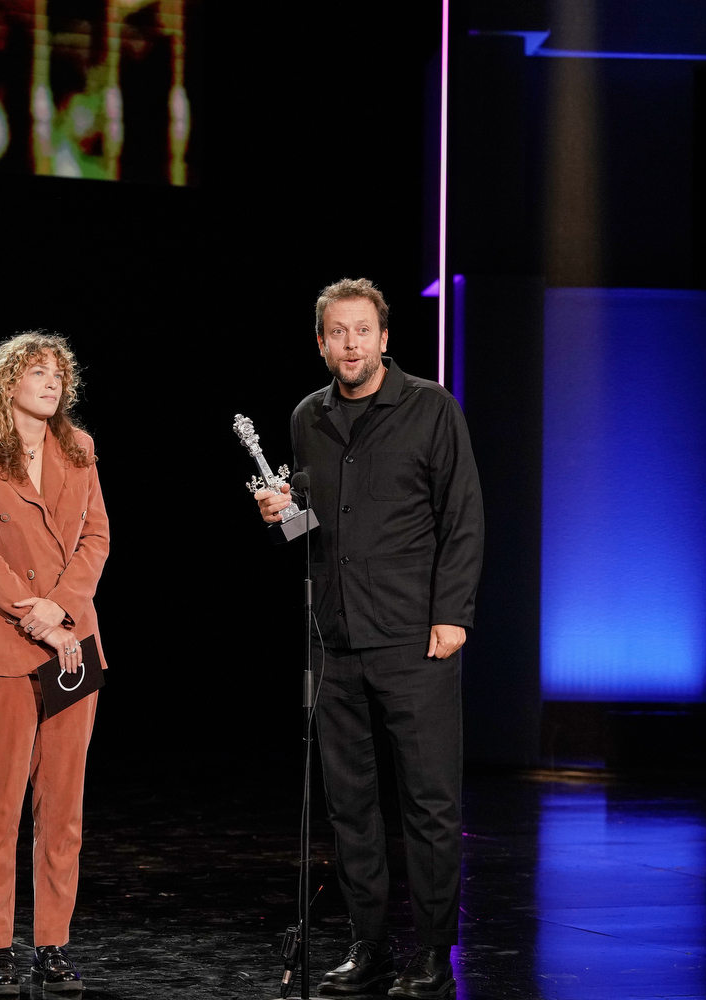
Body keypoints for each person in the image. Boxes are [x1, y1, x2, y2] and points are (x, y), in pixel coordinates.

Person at [256, 278, 484, 999]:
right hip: (335, 642)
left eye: (362, 330)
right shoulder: (308, 417)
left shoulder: (431, 408)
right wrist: (282, 516)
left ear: (384, 338)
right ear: (321, 343)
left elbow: (463, 516)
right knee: (351, 807)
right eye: (337, 332)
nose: (350, 343)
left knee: (429, 803)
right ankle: (370, 947)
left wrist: (453, 614)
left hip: (416, 638)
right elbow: (313, 531)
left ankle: (433, 955)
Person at [0, 332, 110, 994]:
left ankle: (52, 944)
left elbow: (96, 537)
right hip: (1, 644)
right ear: (8, 381)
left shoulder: (80, 449)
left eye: (58, 375)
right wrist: (32, 612)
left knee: (62, 808)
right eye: (37, 372)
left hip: (72, 645)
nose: (50, 383)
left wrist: (60, 611)